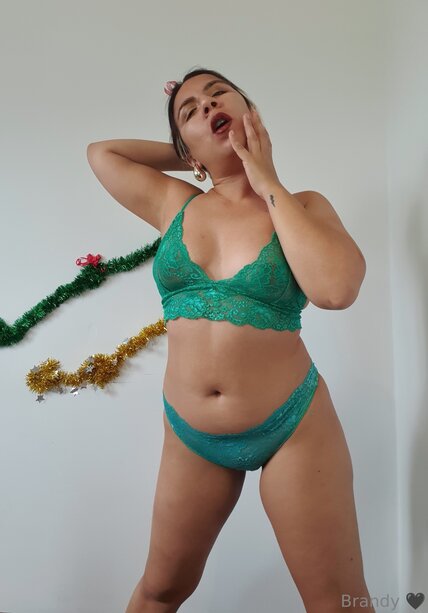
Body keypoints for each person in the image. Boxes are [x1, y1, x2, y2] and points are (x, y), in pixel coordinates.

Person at [87, 67, 374, 613]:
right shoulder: (174, 204)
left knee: (338, 604)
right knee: (160, 590)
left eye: (218, 95)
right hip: (190, 432)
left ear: (251, 112)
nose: (205, 106)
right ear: (183, 148)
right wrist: (195, 154)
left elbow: (336, 291)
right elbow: (102, 154)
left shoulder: (304, 207)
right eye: (189, 110)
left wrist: (263, 176)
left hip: (293, 428)